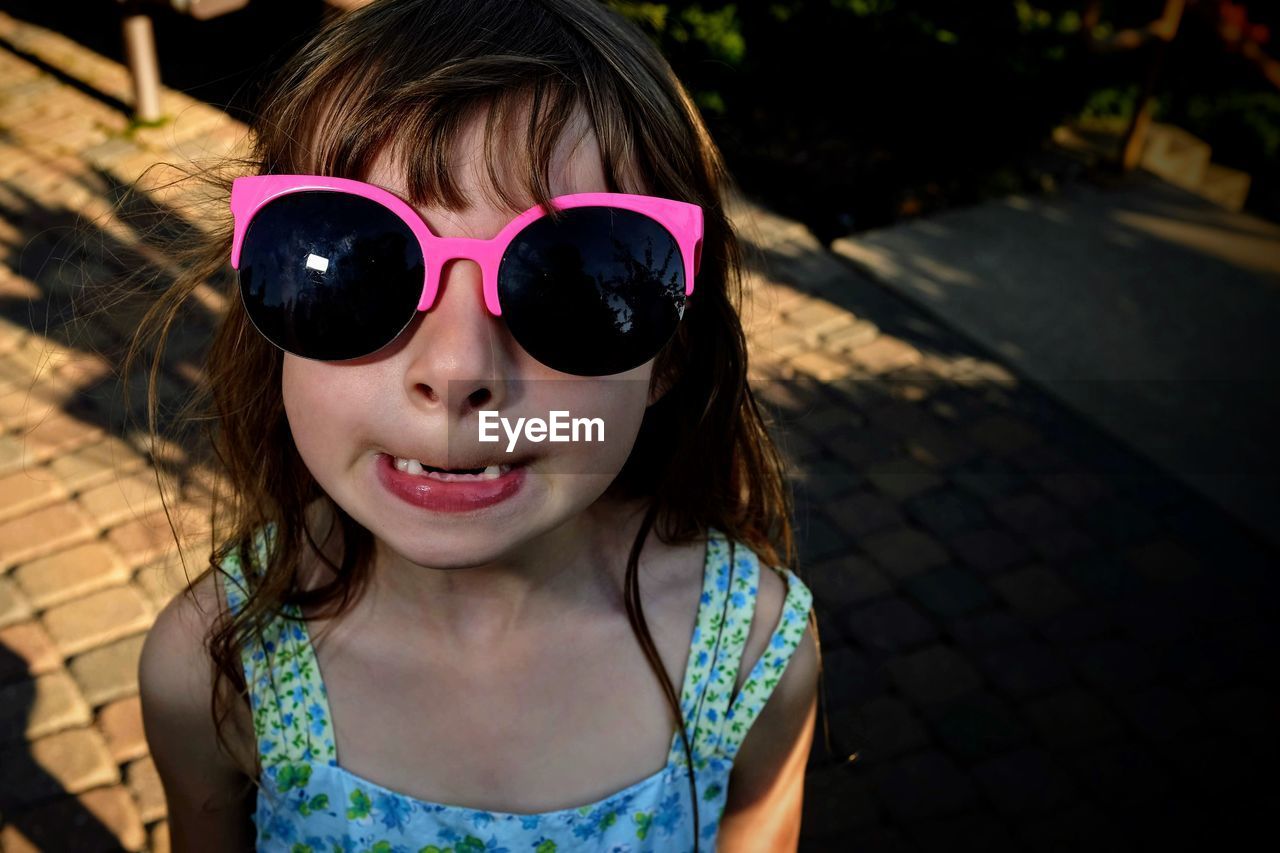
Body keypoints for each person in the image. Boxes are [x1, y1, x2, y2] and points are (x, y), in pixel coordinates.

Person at [136, 1, 822, 850]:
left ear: (669, 356)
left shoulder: (749, 651)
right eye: (356, 265)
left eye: (575, 282)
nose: (457, 369)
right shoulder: (212, 668)